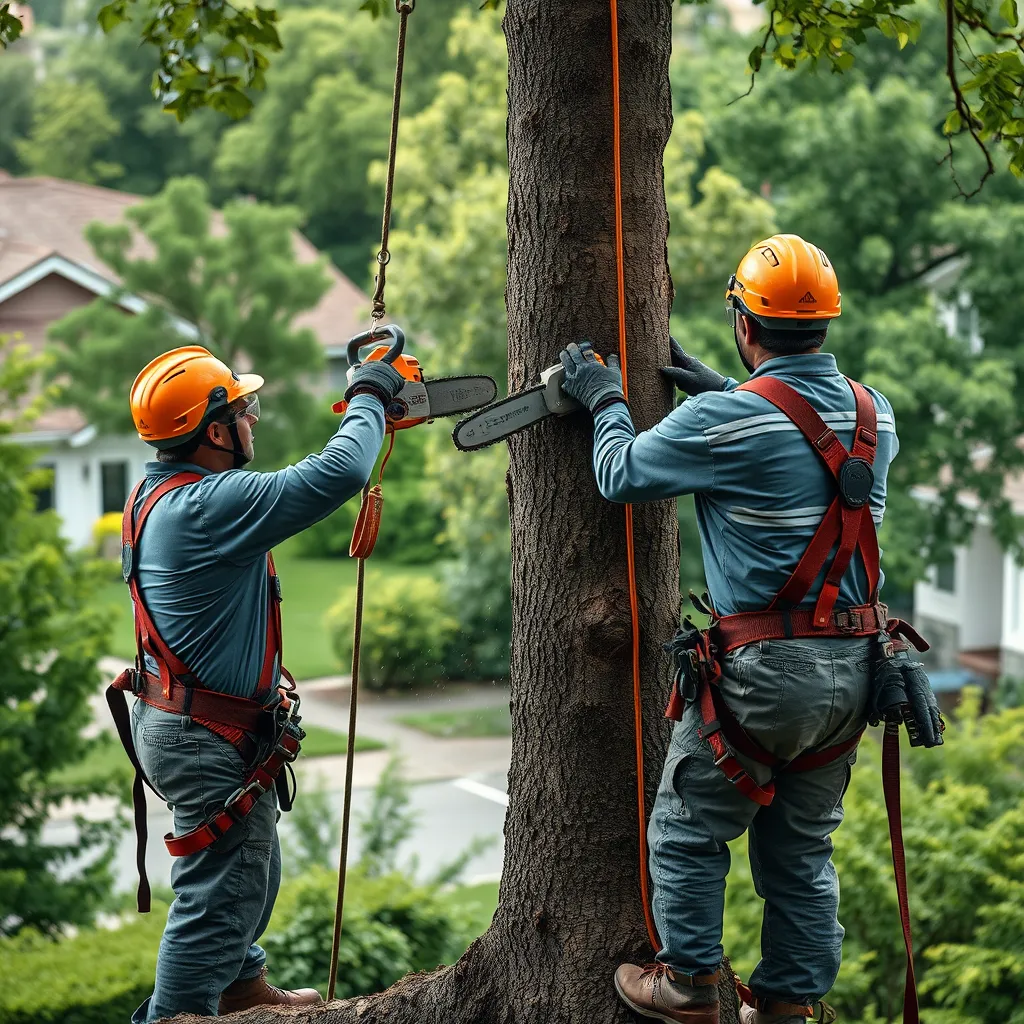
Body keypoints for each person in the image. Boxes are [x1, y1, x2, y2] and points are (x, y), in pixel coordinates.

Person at [558, 234, 939, 1024]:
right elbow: (798, 440)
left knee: (690, 828)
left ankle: (690, 985)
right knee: (802, 847)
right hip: (855, 669)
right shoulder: (877, 413)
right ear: (824, 325)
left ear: (745, 321)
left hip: (767, 675)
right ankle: (788, 1004)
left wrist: (604, 399)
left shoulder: (730, 422)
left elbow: (620, 473)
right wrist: (724, 390)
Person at [119, 344, 405, 1022]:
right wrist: (370, 392)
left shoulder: (158, 491)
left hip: (189, 721)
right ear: (214, 431)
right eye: (244, 408)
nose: (254, 417)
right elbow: (341, 471)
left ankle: (239, 985)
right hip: (203, 733)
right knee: (215, 896)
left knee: (248, 870)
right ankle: (180, 1015)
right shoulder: (207, 506)